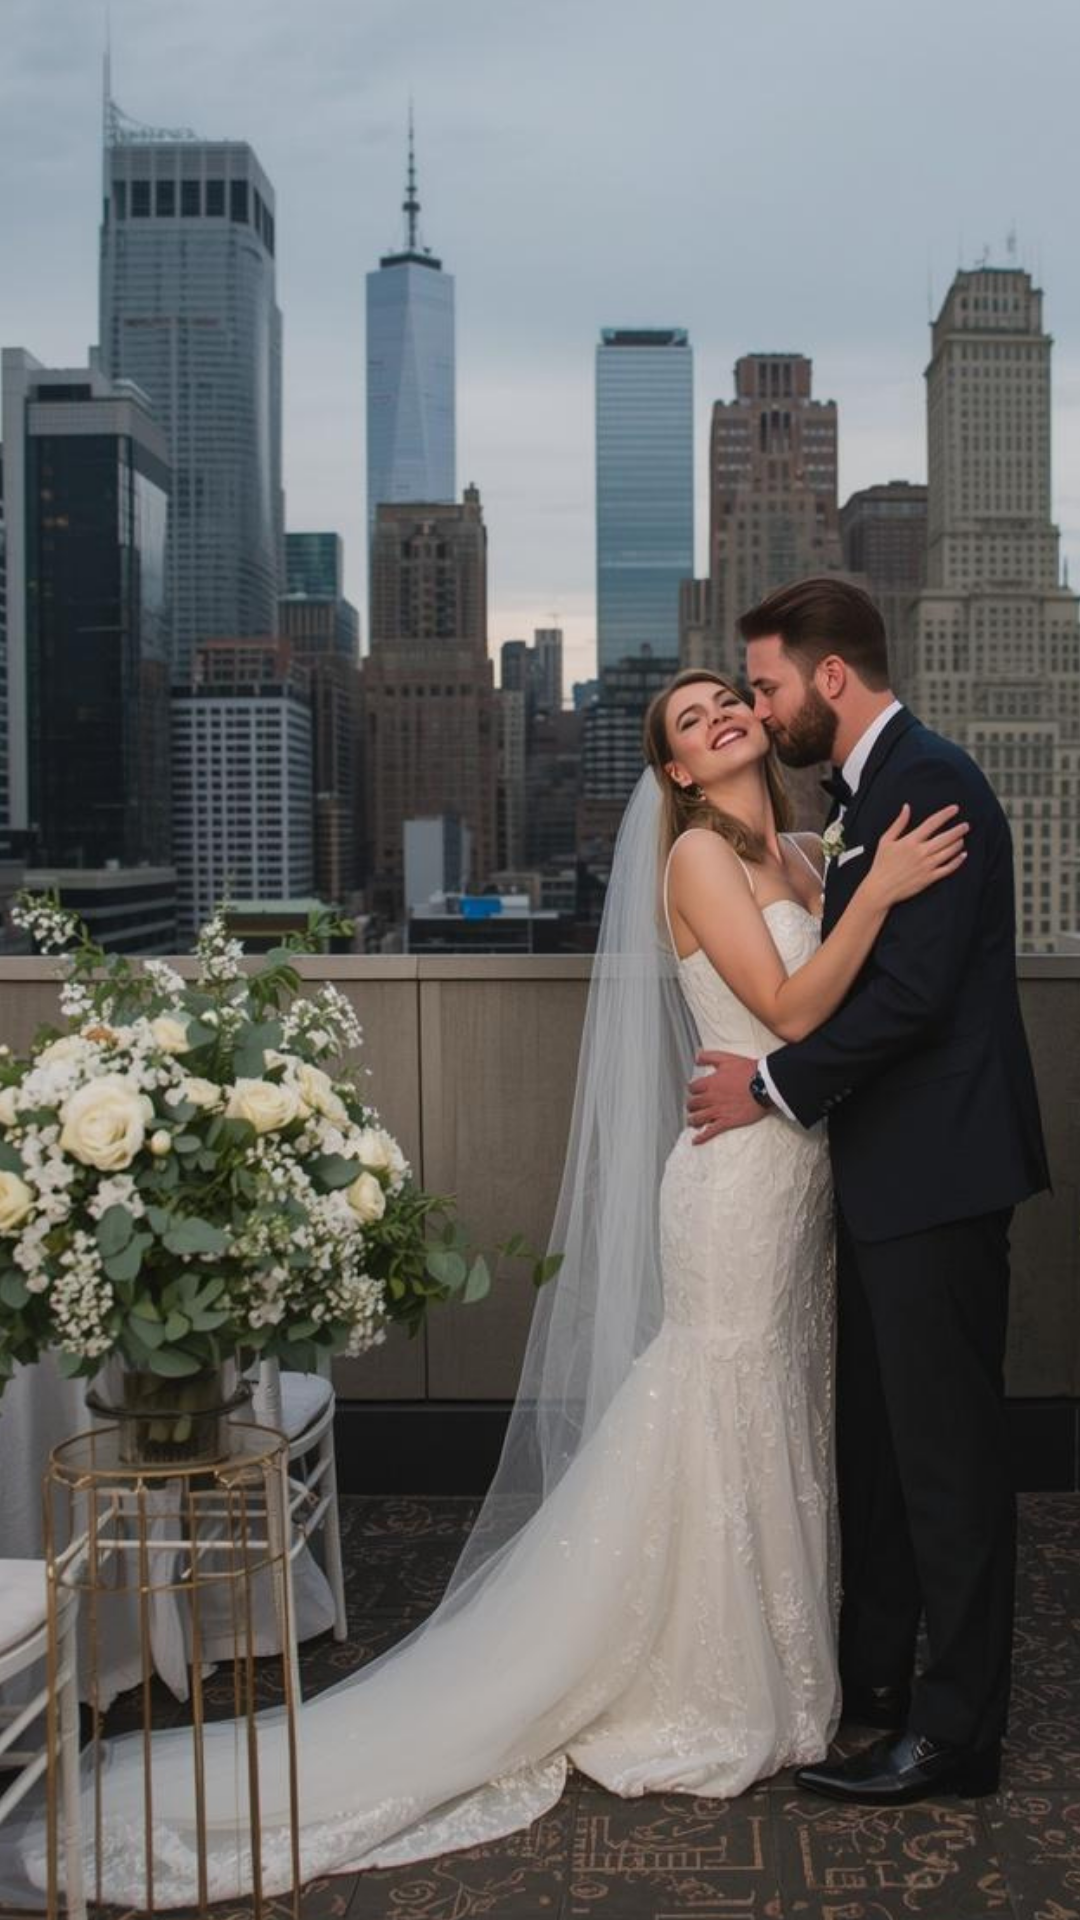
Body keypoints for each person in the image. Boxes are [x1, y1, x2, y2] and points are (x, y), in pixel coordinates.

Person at [5, 664, 967, 1911]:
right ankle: (706, 1679)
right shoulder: (696, 862)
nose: (722, 714)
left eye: (730, 697)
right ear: (673, 770)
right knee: (720, 1399)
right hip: (734, 1185)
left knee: (782, 1397)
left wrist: (851, 877)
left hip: (799, 1180)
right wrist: (881, 892)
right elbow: (785, 1005)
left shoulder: (795, 847)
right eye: (691, 718)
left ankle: (783, 1665)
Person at [686, 577, 1049, 1805]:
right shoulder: (859, 804)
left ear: (828, 679)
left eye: (769, 686)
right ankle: (879, 1688)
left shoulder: (927, 782)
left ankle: (957, 1738)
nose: (760, 706)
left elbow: (911, 998)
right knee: (886, 1455)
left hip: (938, 1169)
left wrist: (774, 1086)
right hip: (881, 1173)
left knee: (945, 1463)